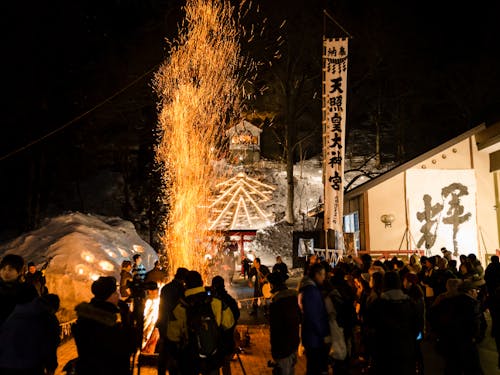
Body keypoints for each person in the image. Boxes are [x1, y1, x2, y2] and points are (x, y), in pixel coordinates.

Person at [166, 270, 234, 375]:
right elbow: (229, 322)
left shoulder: (180, 307)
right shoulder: (215, 302)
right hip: (212, 356)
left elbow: (172, 336)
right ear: (202, 282)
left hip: (189, 359)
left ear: (185, 285)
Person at [73, 276, 136, 375]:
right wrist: (128, 319)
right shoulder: (108, 323)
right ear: (109, 296)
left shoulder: (86, 316)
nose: (118, 295)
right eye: (115, 292)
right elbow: (128, 347)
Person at [365, 271, 419, 375]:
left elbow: (370, 325)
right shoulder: (410, 303)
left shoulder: (378, 303)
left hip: (384, 349)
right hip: (405, 349)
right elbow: (417, 327)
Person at [430, 280, 484, 374]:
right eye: (476, 290)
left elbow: (434, 317)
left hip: (449, 342)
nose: (477, 293)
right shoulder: (471, 303)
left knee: (452, 367)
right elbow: (476, 324)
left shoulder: (444, 300)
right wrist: (475, 337)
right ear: (469, 291)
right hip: (466, 343)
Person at [0, 293, 60, 375]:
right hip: (30, 367)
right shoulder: (47, 318)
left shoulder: (15, 312)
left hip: (5, 364)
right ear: (52, 308)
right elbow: (50, 345)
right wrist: (51, 367)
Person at [156, 267, 189, 375]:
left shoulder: (166, 288)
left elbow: (161, 307)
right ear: (184, 278)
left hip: (163, 322)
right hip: (174, 325)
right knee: (174, 354)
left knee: (164, 350)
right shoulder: (182, 290)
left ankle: (161, 370)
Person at [299, 263, 330, 375]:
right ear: (316, 275)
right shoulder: (311, 291)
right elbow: (314, 316)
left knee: (314, 367)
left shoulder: (311, 289)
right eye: (322, 275)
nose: (324, 278)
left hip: (313, 336)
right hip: (314, 338)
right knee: (314, 367)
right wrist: (323, 333)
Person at [268, 271, 300, 375]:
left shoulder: (276, 304)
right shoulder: (294, 298)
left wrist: (275, 352)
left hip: (282, 348)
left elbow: (275, 331)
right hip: (294, 343)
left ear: (272, 285)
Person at [211, 275, 240, 375]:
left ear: (213, 286)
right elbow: (236, 315)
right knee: (225, 364)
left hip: (216, 341)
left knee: (215, 365)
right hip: (227, 338)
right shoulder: (230, 300)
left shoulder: (212, 301)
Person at [0, 254, 38, 326]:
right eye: (4, 269)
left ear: (19, 271)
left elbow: (35, 312)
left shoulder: (27, 290)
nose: (6, 272)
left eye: (10, 269)